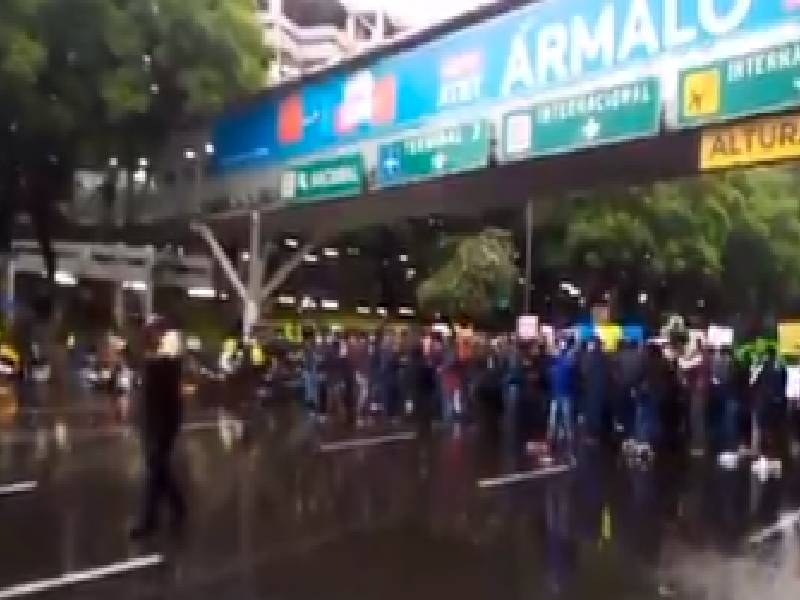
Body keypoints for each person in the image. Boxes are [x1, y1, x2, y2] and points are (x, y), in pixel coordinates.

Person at [131, 318, 186, 539]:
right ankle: (178, 505)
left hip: (163, 424)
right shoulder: (151, 361)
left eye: (154, 332)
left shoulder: (165, 361)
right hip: (149, 423)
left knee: (154, 472)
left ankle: (149, 520)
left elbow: (166, 391)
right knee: (159, 468)